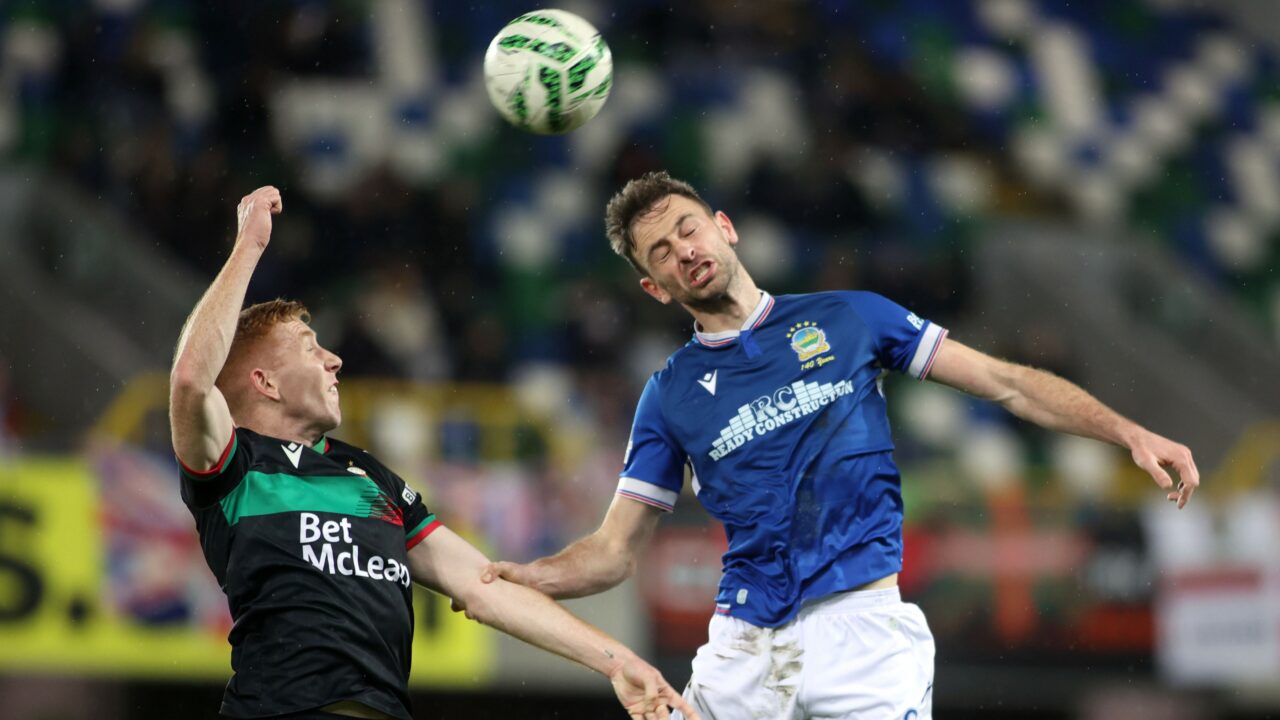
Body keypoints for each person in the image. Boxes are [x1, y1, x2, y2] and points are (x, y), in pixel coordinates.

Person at [478, 171, 1200, 720]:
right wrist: (523, 580)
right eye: (661, 253)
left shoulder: (852, 318)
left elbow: (1006, 384)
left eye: (688, 229)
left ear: (724, 227)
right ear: (654, 287)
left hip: (863, 629)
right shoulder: (667, 396)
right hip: (743, 643)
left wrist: (1126, 431)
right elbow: (614, 551)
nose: (683, 252)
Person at [169, 186, 699, 720]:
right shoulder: (234, 468)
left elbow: (483, 586)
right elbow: (192, 380)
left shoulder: (369, 477)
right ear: (265, 383)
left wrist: (616, 661)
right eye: (310, 347)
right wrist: (251, 246)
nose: (334, 360)